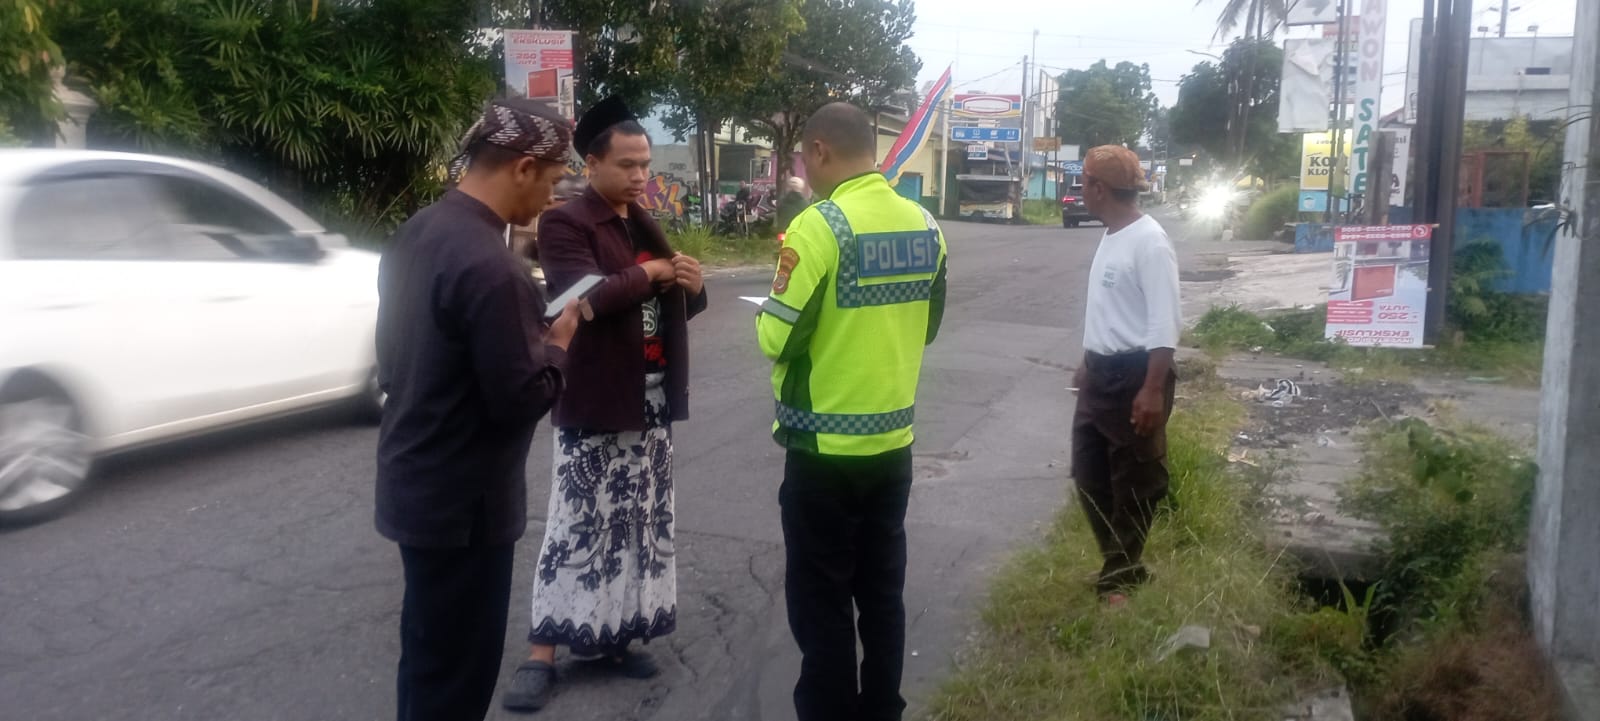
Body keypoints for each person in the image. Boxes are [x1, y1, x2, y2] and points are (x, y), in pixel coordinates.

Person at [375, 98, 580, 721]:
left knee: (427, 661)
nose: (551, 197)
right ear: (523, 167)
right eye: (551, 180)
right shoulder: (495, 268)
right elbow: (522, 398)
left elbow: (395, 360)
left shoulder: (417, 232)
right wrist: (559, 343)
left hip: (415, 483)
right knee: (458, 681)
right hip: (466, 507)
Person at [502, 96, 708, 713]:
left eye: (645, 164)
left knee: (638, 525)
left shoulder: (641, 222)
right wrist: (654, 274)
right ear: (591, 164)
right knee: (576, 525)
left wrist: (691, 286)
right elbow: (580, 299)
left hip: (649, 400)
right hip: (596, 397)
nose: (641, 176)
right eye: (628, 165)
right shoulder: (568, 224)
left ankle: (613, 636)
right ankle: (542, 652)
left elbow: (665, 308)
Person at [754, 102, 948, 721]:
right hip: (893, 447)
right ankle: (883, 708)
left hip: (823, 455)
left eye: (804, 159)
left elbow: (777, 337)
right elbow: (928, 326)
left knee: (823, 602)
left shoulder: (819, 226)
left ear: (819, 151)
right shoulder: (925, 224)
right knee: (883, 594)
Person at [1070, 144, 1182, 606]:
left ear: (1098, 188)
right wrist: (1088, 359)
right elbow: (1113, 309)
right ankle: (1121, 566)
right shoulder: (1113, 234)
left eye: (1083, 181)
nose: (1079, 189)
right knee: (1089, 476)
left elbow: (1164, 322)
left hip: (1136, 376)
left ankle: (1119, 580)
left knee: (1135, 482)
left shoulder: (1149, 242)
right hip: (1100, 374)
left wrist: (1152, 389)